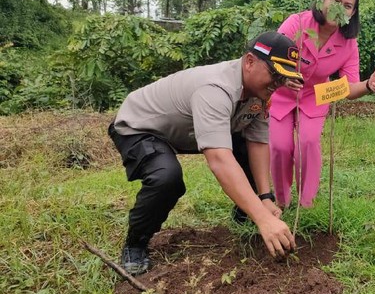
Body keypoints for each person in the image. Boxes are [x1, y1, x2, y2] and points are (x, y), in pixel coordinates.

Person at [108, 31, 302, 275]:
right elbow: (220, 160)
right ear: (250, 62)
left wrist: (265, 198)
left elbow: (257, 143)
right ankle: (135, 244)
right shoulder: (215, 88)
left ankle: (246, 212)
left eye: (283, 78)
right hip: (139, 126)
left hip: (184, 131)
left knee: (243, 150)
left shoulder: (259, 94)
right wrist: (265, 220)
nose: (278, 83)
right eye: (275, 74)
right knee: (166, 177)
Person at [269, 0, 375, 208]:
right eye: (336, 1)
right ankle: (282, 200)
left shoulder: (349, 44)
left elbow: (349, 87)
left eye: (347, 6)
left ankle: (306, 203)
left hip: (315, 96)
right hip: (282, 93)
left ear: (352, 13)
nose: (339, 9)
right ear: (322, 0)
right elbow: (270, 58)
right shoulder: (297, 24)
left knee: (309, 142)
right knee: (280, 146)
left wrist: (369, 86)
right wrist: (283, 77)